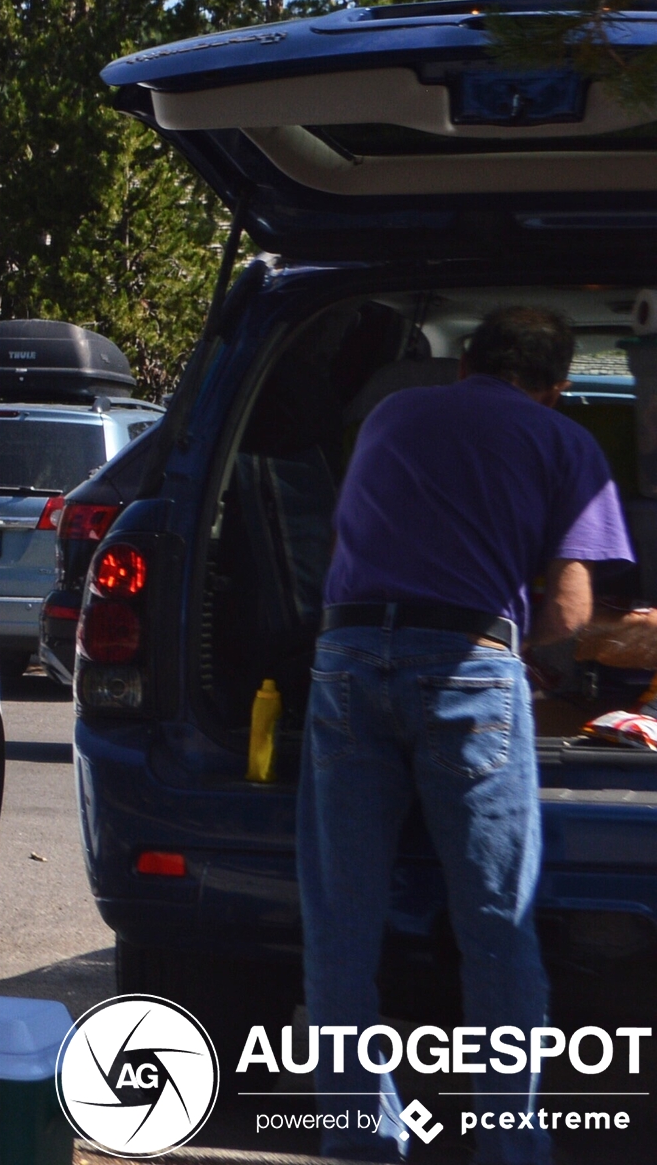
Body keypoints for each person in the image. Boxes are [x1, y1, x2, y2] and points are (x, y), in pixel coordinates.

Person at [300, 307, 631, 1162]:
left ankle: (362, 1137)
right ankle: (508, 1144)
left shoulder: (391, 414)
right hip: (467, 670)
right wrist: (537, 655)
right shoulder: (564, 443)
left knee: (340, 924)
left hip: (344, 657)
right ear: (556, 388)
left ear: (463, 367)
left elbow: (350, 538)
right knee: (495, 922)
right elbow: (567, 609)